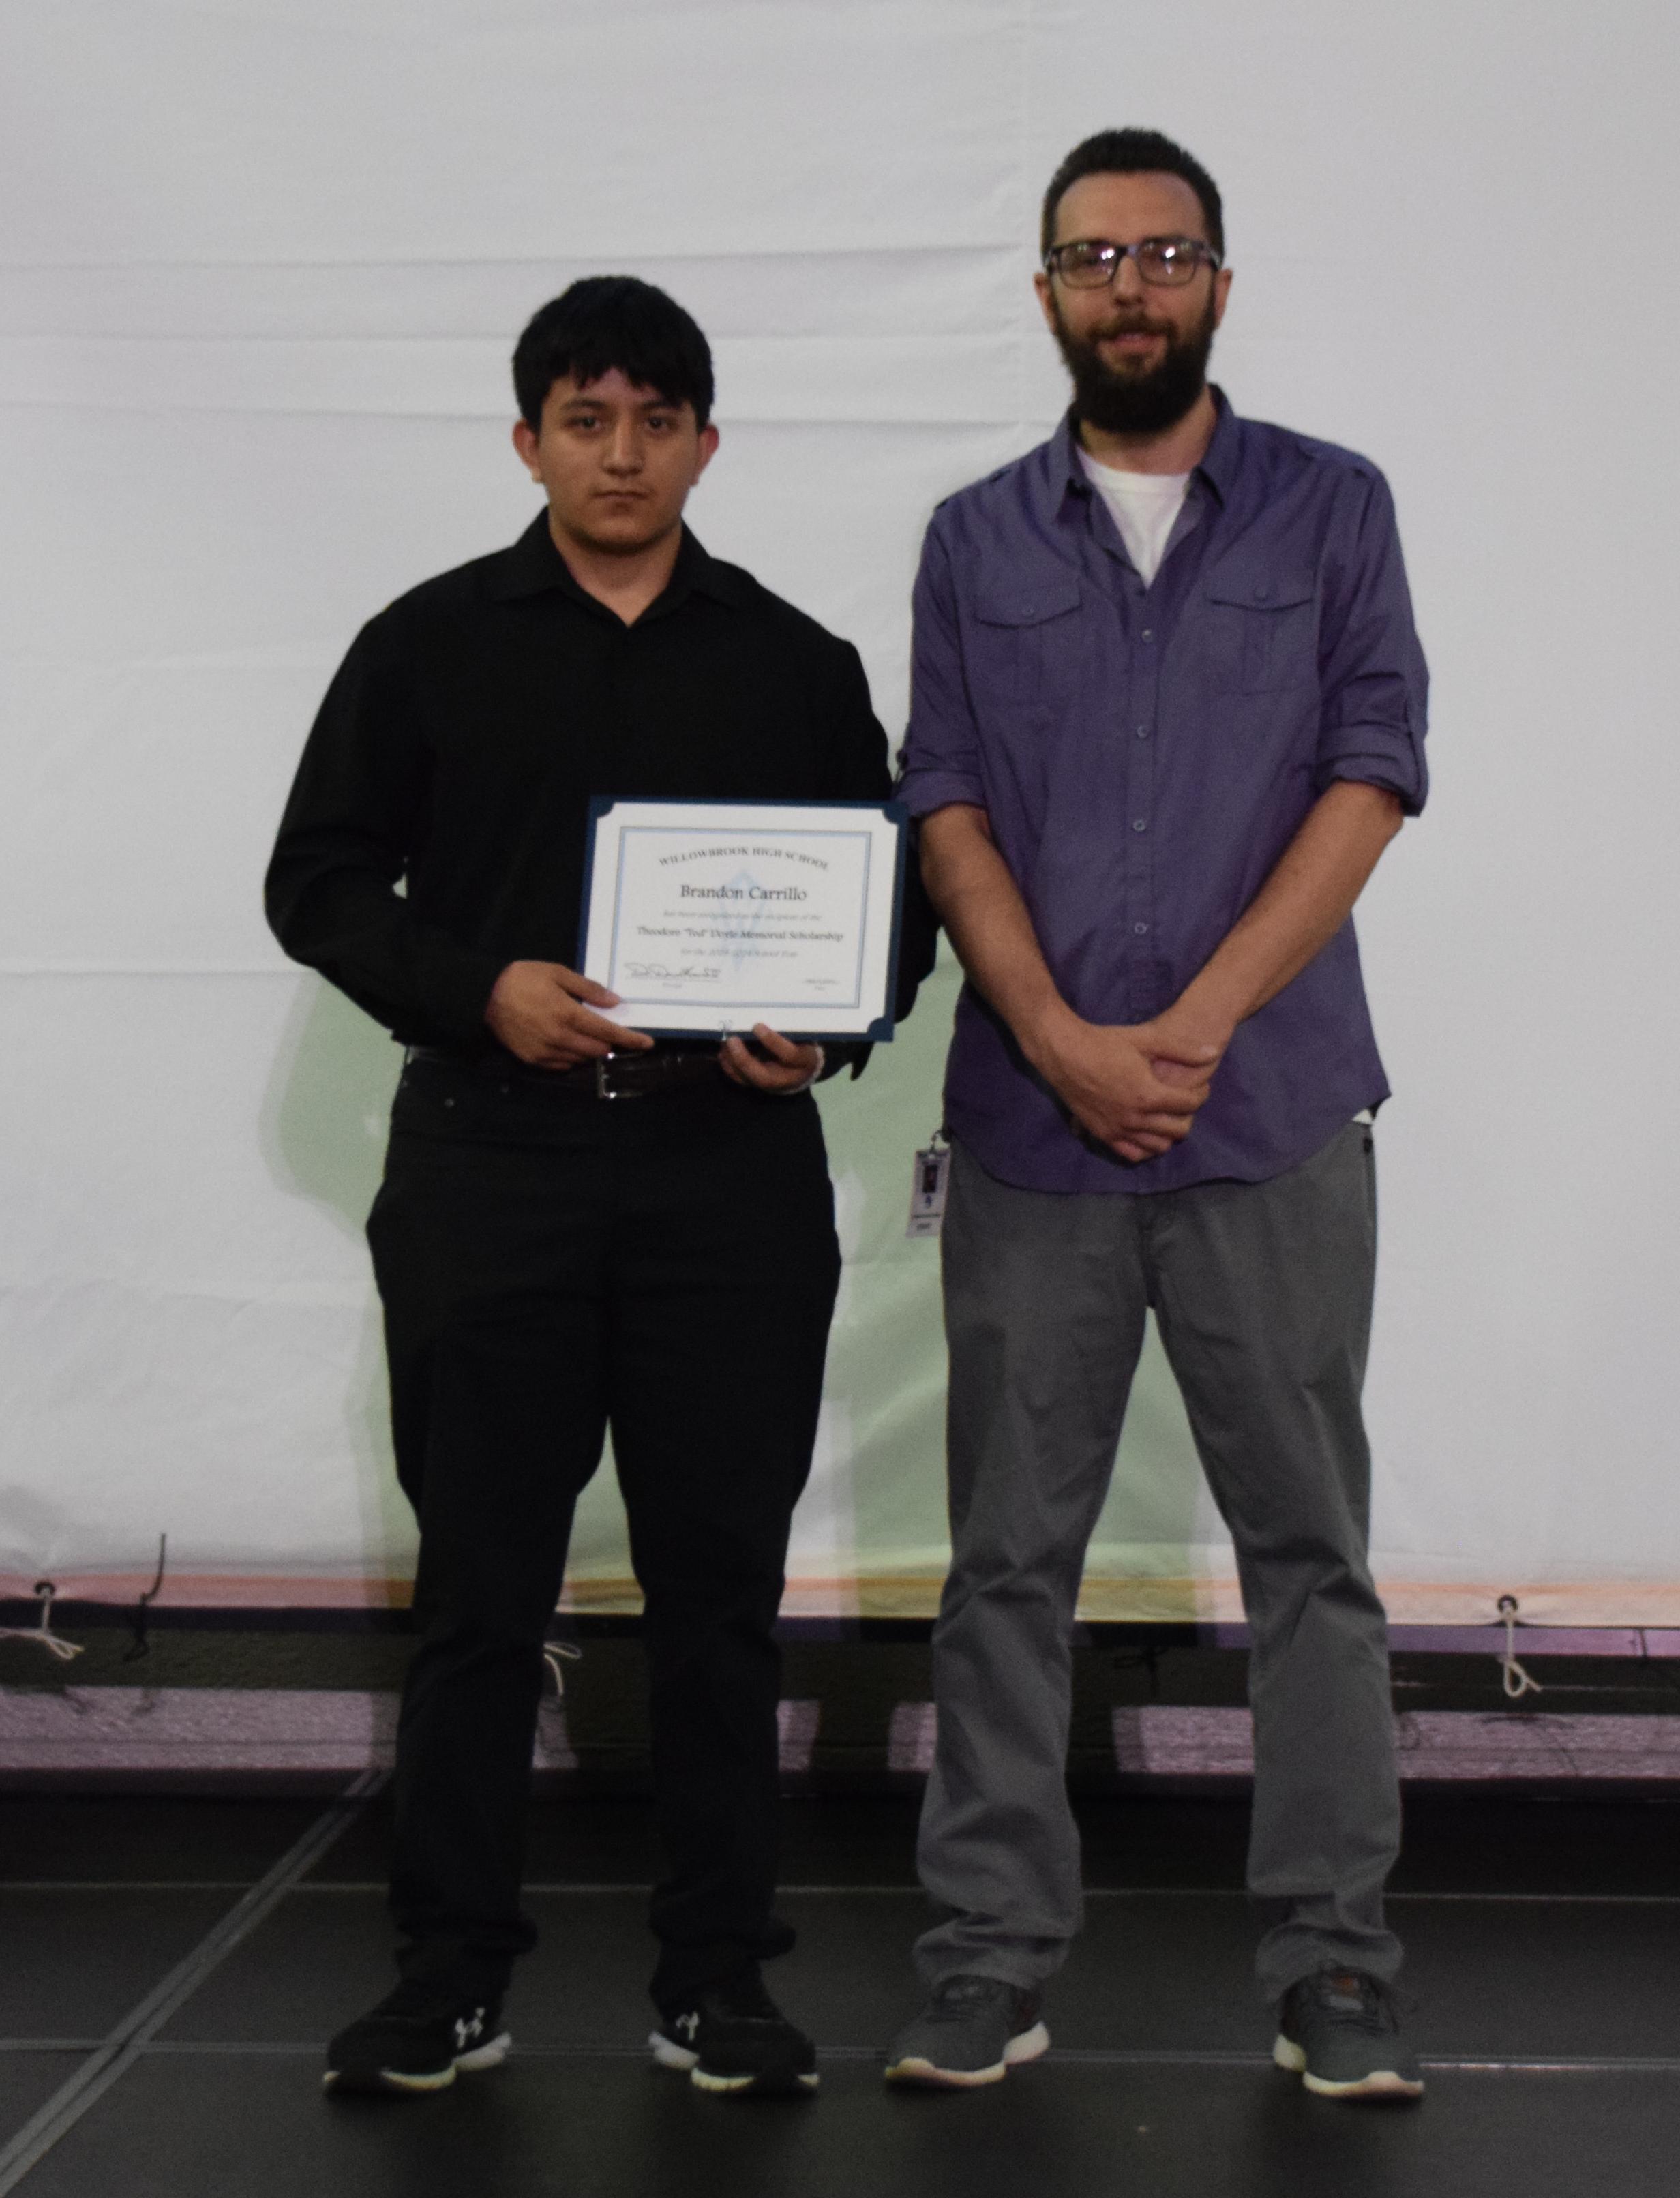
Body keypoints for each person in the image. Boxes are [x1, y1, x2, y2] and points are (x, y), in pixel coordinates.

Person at [267, 275, 932, 2101]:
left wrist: (826, 1034)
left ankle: (717, 1982)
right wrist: (475, 987)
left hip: (727, 1173)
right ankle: (449, 1980)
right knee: (482, 1593)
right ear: (529, 441)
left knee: (720, 1596)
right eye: (585, 421)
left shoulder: (796, 665)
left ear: (708, 442)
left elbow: (891, 911)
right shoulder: (423, 646)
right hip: (492, 1162)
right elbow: (317, 881)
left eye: (654, 421)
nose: (620, 454)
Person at [885, 128, 1428, 2101]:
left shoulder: (1332, 509)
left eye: (1167, 252)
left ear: (1219, 280)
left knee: (1312, 1558)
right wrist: (1055, 1033)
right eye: (1095, 257)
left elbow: (1374, 769)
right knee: (1003, 1566)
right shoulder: (974, 541)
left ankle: (1335, 1964)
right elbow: (943, 796)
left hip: (1268, 1111)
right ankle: (987, 1958)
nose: (1132, 285)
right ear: (1045, 290)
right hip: (1035, 1136)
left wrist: (1189, 1026)